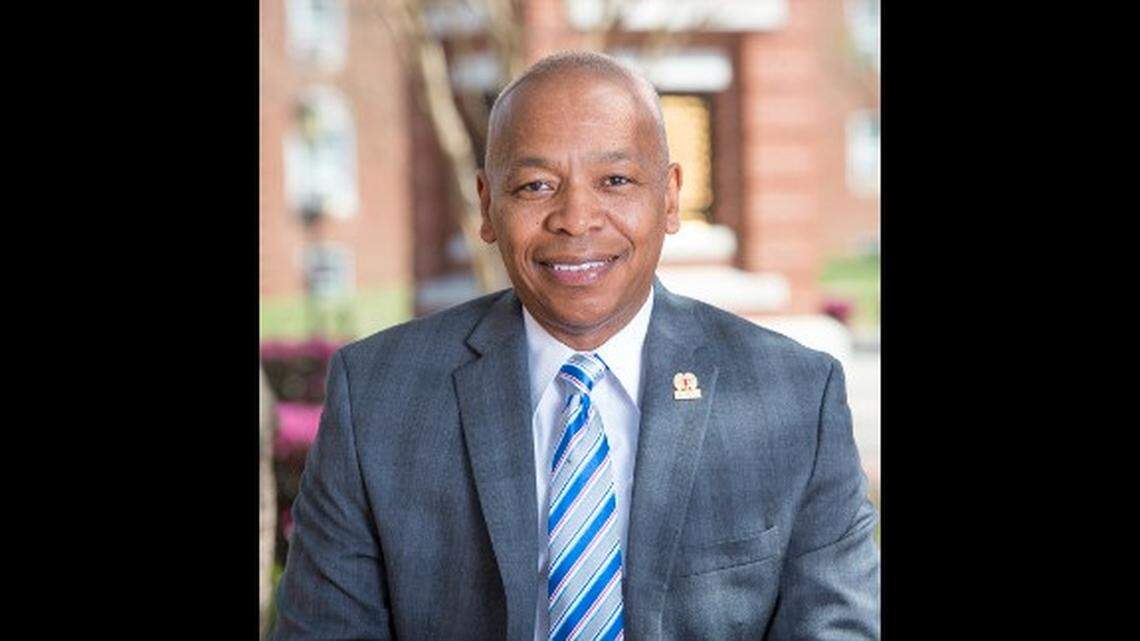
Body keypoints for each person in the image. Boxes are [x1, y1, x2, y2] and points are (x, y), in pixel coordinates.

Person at [271, 51, 879, 640]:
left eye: (615, 180)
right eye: (536, 186)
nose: (576, 218)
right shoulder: (375, 397)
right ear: (487, 205)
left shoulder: (796, 398)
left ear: (670, 197)